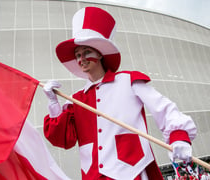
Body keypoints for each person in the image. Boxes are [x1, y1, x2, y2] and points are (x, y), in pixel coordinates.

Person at [43, 7, 197, 180]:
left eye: (87, 52)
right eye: (78, 55)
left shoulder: (128, 81)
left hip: (131, 171)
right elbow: (63, 140)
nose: (81, 59)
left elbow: (164, 108)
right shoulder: (76, 100)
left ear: (100, 54)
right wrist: (53, 104)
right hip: (94, 175)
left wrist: (179, 137)